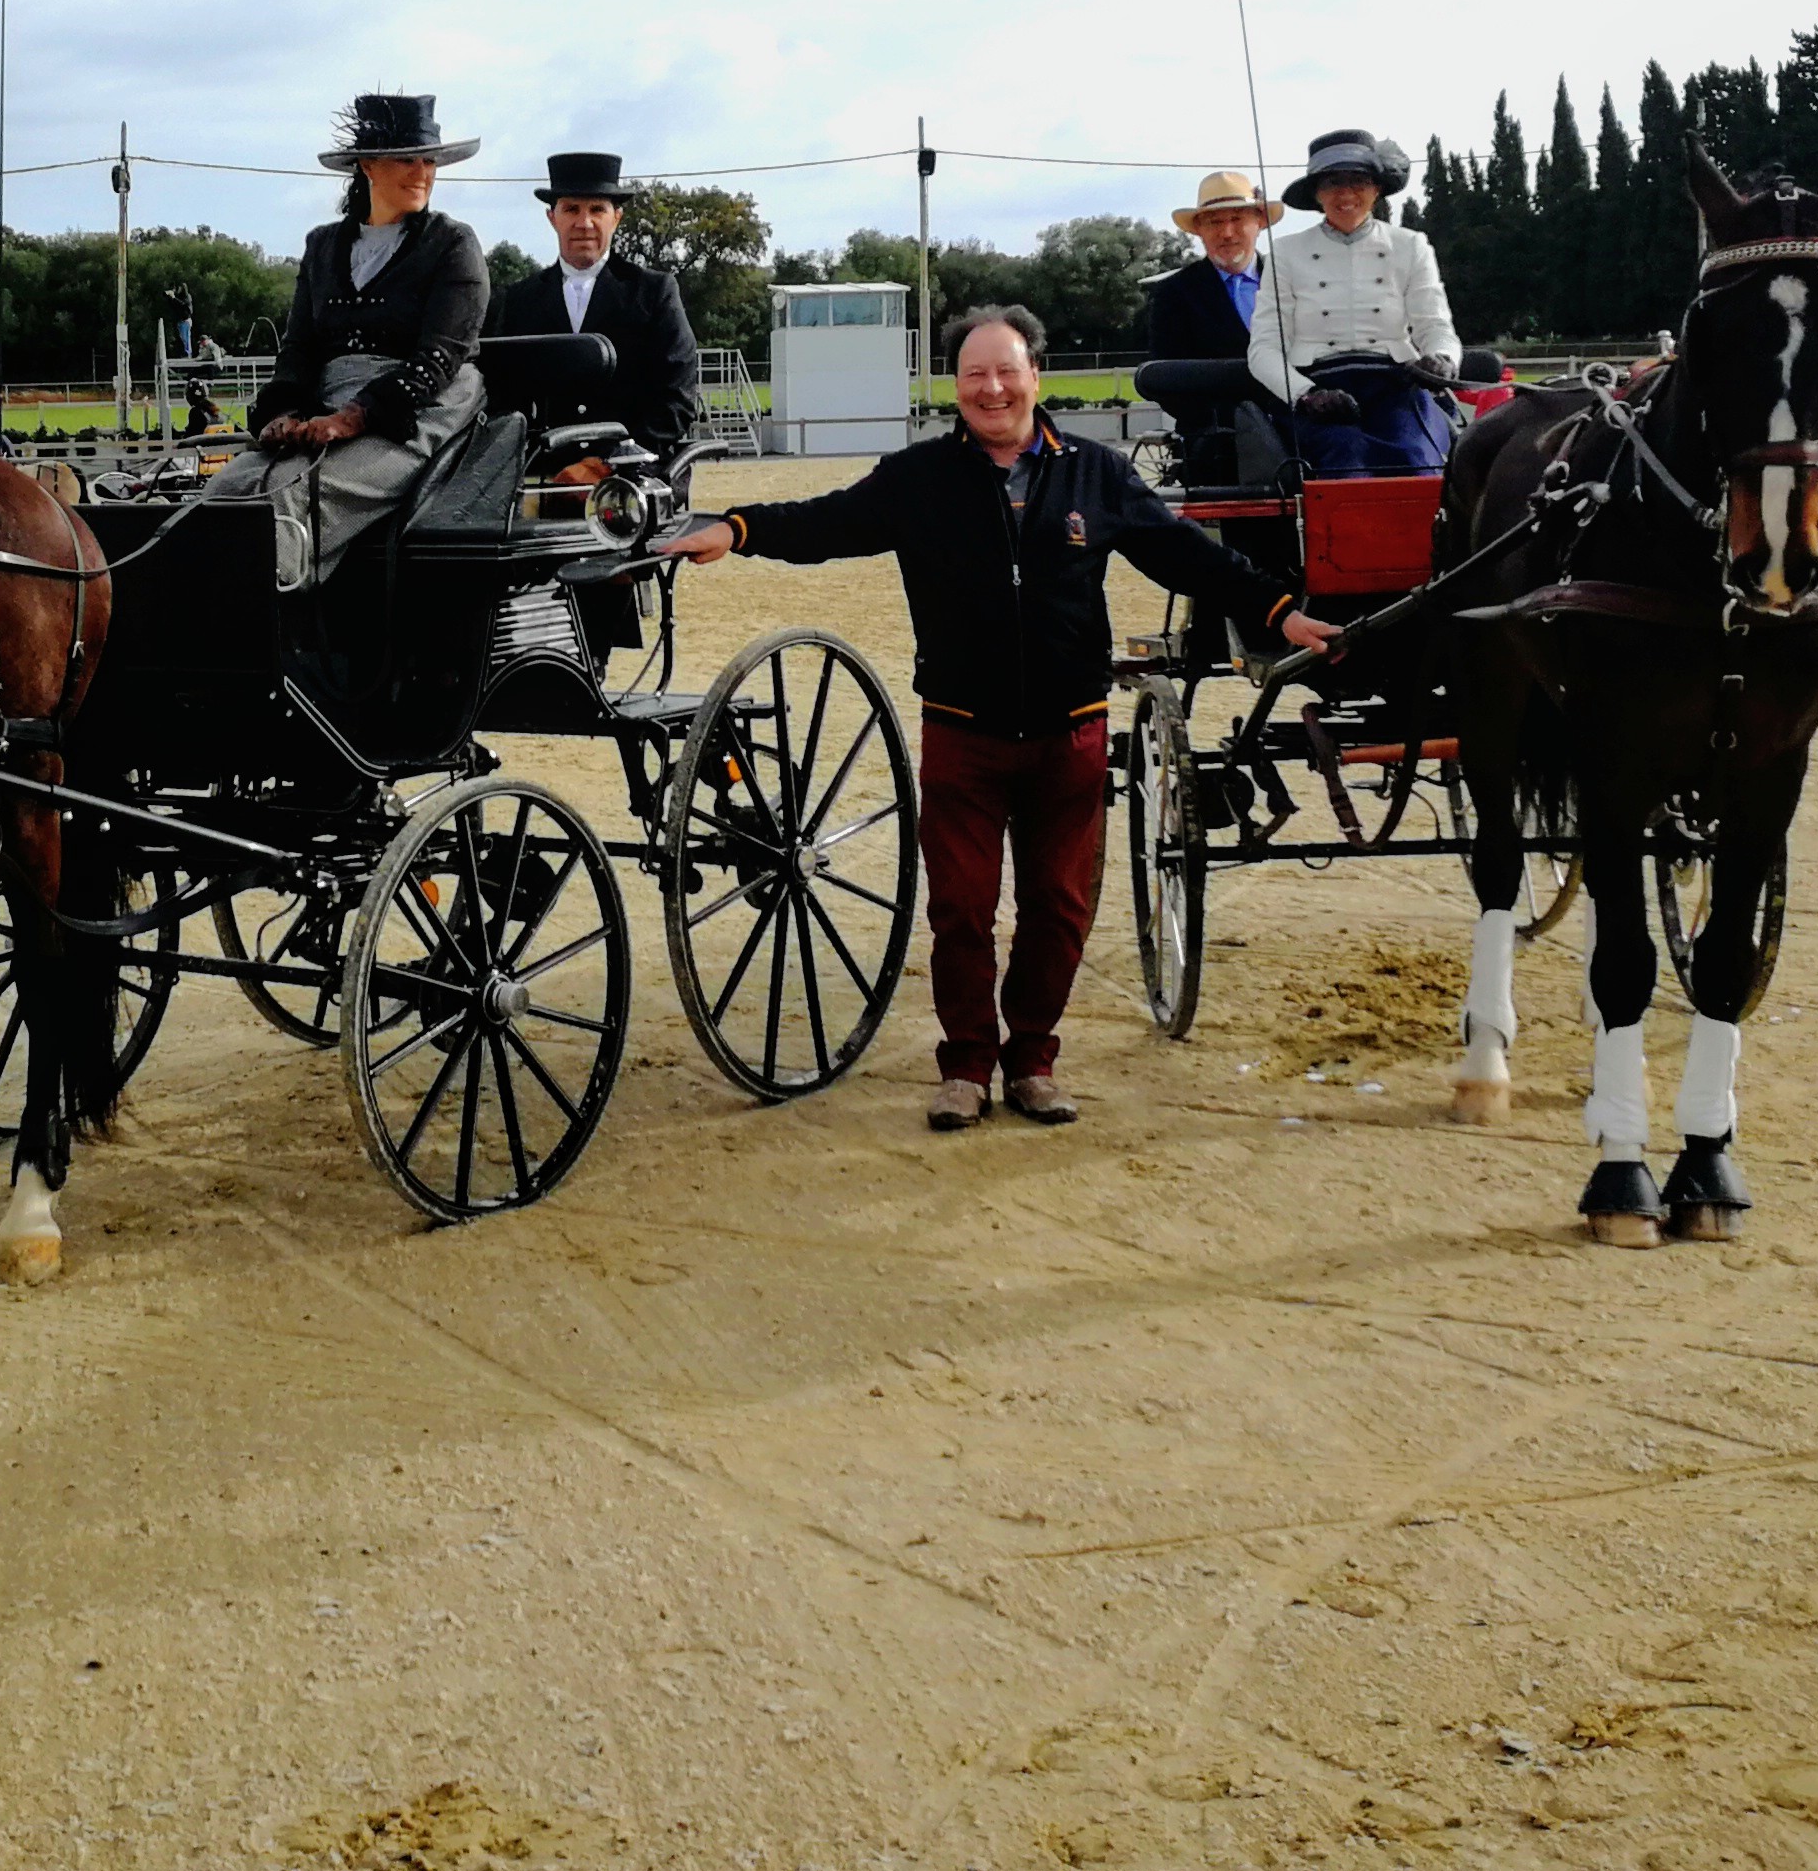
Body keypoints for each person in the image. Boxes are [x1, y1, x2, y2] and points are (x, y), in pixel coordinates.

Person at [659, 305, 1333, 1131]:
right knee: (962, 909)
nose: (992, 388)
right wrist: (739, 528)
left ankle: (1034, 1061)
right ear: (955, 387)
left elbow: (1184, 551)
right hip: (963, 731)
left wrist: (1277, 610)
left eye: (1006, 370)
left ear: (1035, 377)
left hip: (1070, 731)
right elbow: (826, 521)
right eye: (974, 374)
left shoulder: (1096, 472)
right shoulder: (918, 479)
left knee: (1057, 908)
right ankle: (967, 1065)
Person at [208, 91, 492, 592]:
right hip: (330, 403)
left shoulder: (453, 243)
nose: (422, 172)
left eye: (429, 160)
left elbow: (439, 356)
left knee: (291, 498)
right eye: (406, 159)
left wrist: (354, 416)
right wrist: (283, 413)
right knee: (225, 490)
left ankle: (278, 643)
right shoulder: (324, 246)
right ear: (367, 165)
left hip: (420, 409)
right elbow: (298, 349)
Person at [1247, 128, 1463, 477]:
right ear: (1317, 193)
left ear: (1377, 189)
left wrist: (1441, 359)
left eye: (1358, 181)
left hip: (1395, 387)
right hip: (1320, 390)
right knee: (1343, 460)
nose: (1346, 194)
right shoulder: (1286, 252)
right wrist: (1306, 395)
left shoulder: (1411, 245)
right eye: (1332, 182)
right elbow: (1264, 350)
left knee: (1416, 458)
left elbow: (1435, 325)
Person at [482, 152, 705, 475]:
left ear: (616, 217)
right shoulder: (518, 300)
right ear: (552, 217)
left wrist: (607, 466)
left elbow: (676, 399)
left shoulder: (654, 292)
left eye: (597, 209)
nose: (583, 223)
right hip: (543, 478)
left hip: (633, 479)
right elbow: (500, 399)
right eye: (571, 209)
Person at [1138, 168, 1285, 483]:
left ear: (1259, 222)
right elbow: (1168, 379)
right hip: (1218, 447)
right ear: (1199, 231)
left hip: (1300, 437)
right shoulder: (1174, 294)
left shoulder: (1295, 281)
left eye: (1237, 219)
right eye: (1215, 222)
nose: (1227, 233)